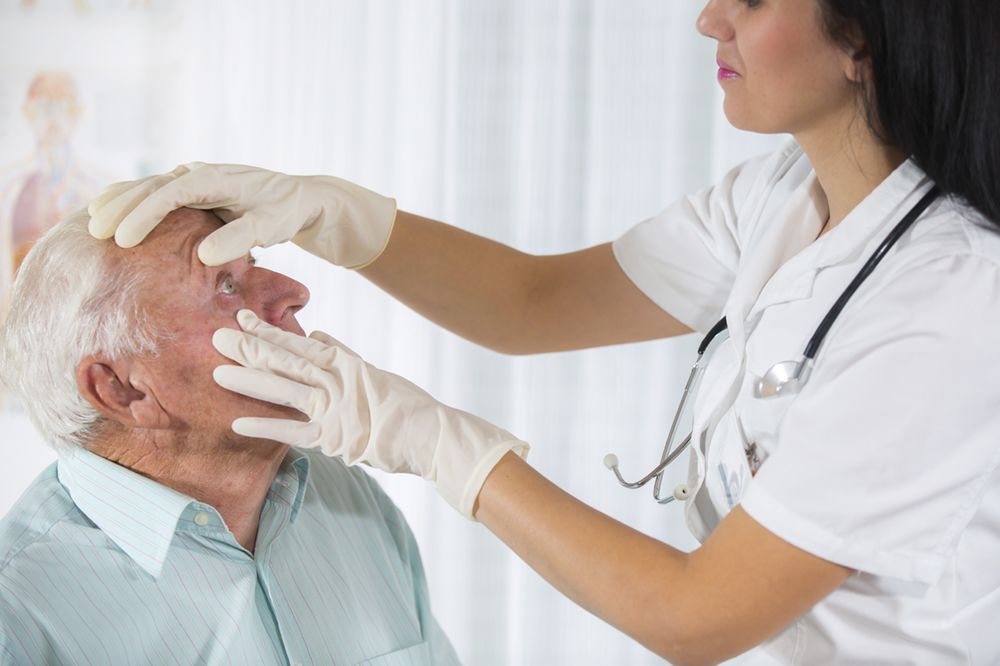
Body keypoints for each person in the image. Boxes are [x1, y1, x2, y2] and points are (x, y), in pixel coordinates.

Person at [87, 0, 1000, 663]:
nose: (708, 18)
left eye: (754, 0)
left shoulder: (946, 306)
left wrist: (435, 442)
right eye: (224, 286)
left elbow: (700, 616)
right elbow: (537, 302)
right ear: (114, 385)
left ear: (869, 42)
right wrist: (344, 218)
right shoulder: (780, 199)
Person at [0, 207, 462, 665]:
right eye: (225, 284)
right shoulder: (17, 617)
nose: (294, 292)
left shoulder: (348, 498)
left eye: (253, 266)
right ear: (123, 390)